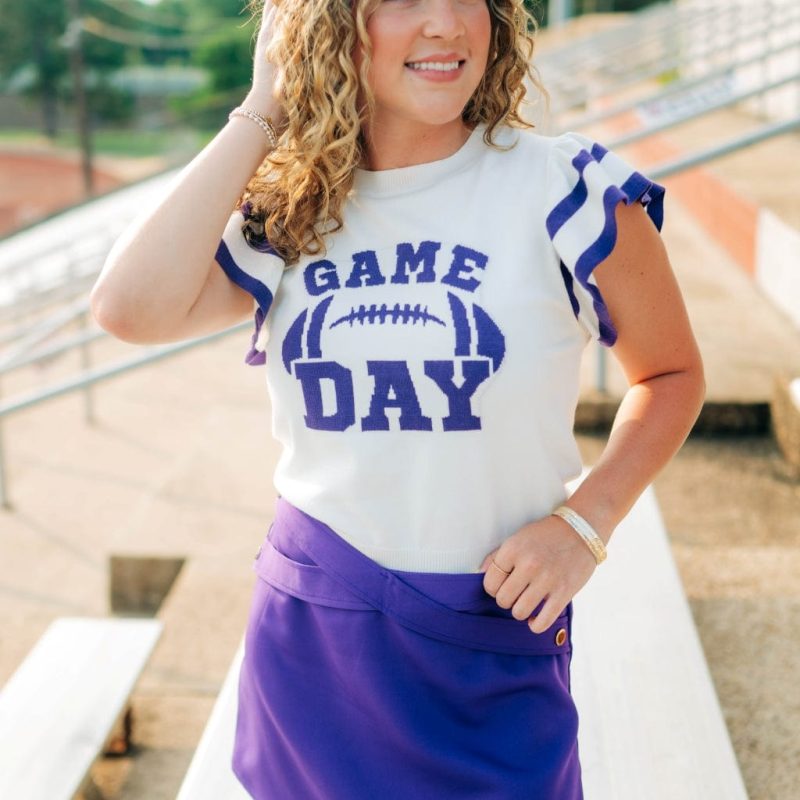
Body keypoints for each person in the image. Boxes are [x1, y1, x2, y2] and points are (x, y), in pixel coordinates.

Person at [90, 0, 705, 797]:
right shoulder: (294, 211)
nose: (446, 24)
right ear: (333, 23)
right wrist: (264, 105)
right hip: (316, 635)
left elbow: (671, 376)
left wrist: (585, 524)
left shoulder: (568, 191)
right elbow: (127, 307)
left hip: (489, 635)